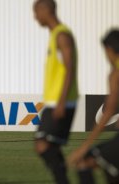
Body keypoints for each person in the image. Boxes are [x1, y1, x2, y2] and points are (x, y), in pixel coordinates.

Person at [33, 0, 79, 183]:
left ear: (46, 11)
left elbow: (70, 68)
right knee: (49, 146)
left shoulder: (62, 35)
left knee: (43, 145)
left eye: (36, 12)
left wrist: (61, 101)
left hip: (62, 102)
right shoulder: (54, 35)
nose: (35, 17)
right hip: (55, 101)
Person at [68, 30, 119, 184]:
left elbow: (109, 110)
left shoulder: (115, 74)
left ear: (109, 49)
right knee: (111, 170)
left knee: (85, 160)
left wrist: (84, 146)